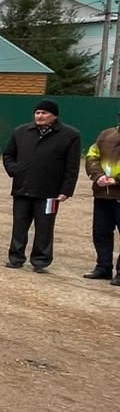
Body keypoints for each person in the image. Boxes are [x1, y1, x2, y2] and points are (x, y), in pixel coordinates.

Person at [1, 99, 82, 273]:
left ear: (54, 116)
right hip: (22, 188)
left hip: (50, 192)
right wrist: (15, 170)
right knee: (19, 225)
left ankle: (40, 260)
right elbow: (8, 154)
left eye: (44, 113)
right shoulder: (21, 132)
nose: (40, 116)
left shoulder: (70, 135)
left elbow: (72, 166)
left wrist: (66, 190)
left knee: (44, 227)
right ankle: (16, 258)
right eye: (37, 112)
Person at [82, 113, 120, 285]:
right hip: (102, 193)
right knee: (101, 232)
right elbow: (92, 156)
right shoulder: (105, 135)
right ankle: (103, 267)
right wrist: (98, 176)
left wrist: (117, 180)